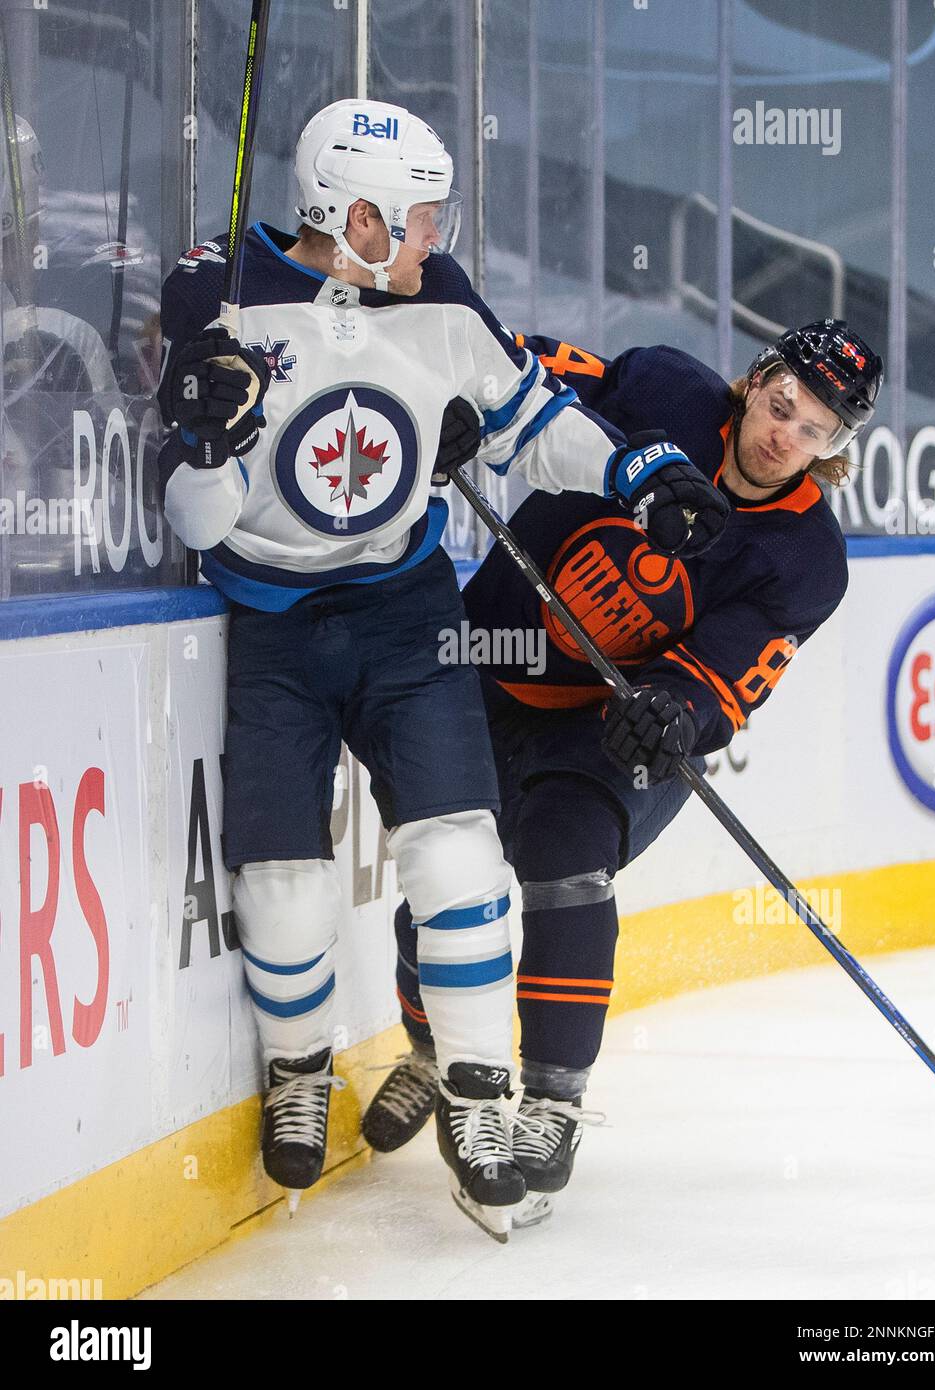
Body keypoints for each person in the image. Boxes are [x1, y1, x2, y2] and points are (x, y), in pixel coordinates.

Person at [155, 98, 726, 1236]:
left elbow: (530, 419)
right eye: (417, 219)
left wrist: (639, 477)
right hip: (270, 624)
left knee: (459, 857)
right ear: (352, 215)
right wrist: (211, 437)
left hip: (406, 611)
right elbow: (197, 518)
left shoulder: (443, 298)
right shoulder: (215, 293)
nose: (434, 239)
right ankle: (300, 1068)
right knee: (279, 887)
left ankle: (477, 1090)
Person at [362, 319, 883, 1219]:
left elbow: (734, 668)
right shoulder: (660, 390)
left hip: (616, 722)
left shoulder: (806, 559)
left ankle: (554, 1101)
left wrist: (680, 703)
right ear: (756, 381)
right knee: (450, 879)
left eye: (813, 432)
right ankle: (428, 1048)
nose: (782, 436)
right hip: (493, 655)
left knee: (568, 863)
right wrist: (459, 412)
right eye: (783, 405)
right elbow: (514, 371)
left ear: (835, 449)